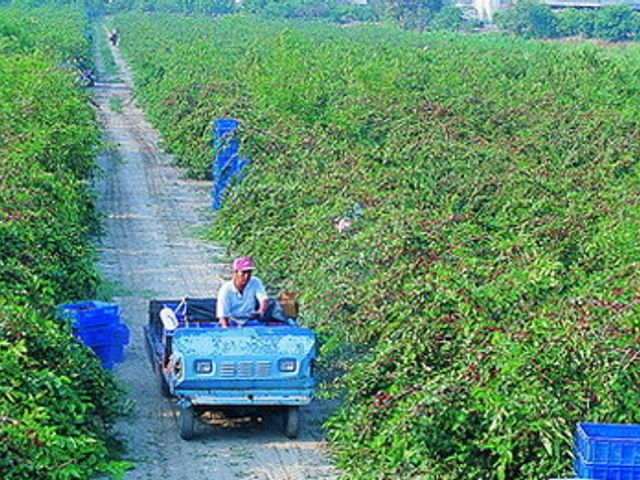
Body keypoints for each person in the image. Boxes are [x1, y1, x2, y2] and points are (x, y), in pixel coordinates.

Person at [216, 256, 268, 328]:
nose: (246, 276)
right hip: (232, 321)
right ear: (235, 273)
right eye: (243, 273)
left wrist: (261, 311)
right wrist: (227, 330)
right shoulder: (225, 290)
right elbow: (223, 316)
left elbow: (263, 299)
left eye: (249, 272)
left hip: (251, 321)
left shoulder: (255, 282)